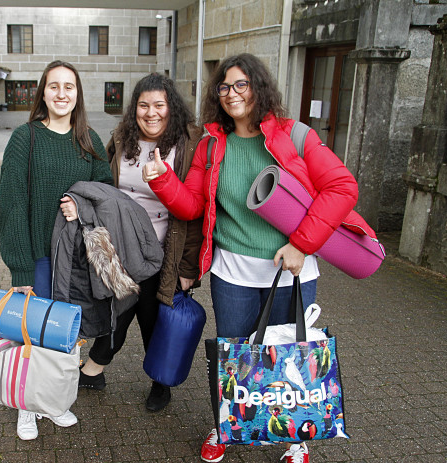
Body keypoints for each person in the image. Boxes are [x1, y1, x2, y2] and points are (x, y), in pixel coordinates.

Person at [142, 54, 376, 463]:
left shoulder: (295, 136)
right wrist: (162, 179)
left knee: (289, 355)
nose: (232, 94)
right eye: (224, 87)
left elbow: (342, 187)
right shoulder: (212, 143)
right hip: (232, 271)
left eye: (241, 85)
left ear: (258, 87)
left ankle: (294, 437)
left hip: (292, 269)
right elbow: (193, 205)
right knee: (236, 356)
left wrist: (302, 244)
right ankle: (226, 426)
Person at [0, 60, 113, 441]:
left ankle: (55, 401)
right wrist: (21, 269)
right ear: (43, 92)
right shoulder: (24, 138)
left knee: (65, 338)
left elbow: (106, 196)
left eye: (70, 87)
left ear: (78, 94)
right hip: (40, 258)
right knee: (32, 334)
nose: (62, 93)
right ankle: (26, 407)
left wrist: (82, 207)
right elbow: (12, 204)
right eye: (54, 86)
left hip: (77, 261)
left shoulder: (90, 141)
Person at [75, 73, 203, 413]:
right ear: (135, 110)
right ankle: (97, 367)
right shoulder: (121, 138)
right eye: (143, 105)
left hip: (165, 251)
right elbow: (103, 183)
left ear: (171, 108)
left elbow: (196, 211)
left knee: (152, 316)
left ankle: (158, 382)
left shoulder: (189, 143)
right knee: (117, 308)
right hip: (121, 248)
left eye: (159, 105)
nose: (151, 113)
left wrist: (189, 266)